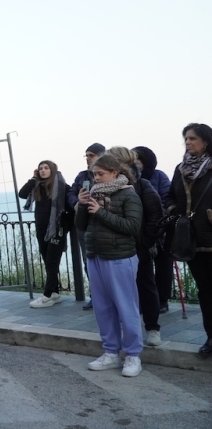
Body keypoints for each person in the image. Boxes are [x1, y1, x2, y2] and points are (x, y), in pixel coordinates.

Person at [76, 154, 144, 377]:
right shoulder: (93, 196)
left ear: (115, 173)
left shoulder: (128, 194)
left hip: (119, 257)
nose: (96, 178)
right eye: (94, 174)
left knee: (126, 307)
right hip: (96, 255)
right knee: (103, 309)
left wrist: (101, 213)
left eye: (100, 174)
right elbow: (81, 225)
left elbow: (133, 227)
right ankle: (111, 353)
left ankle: (133, 355)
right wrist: (81, 206)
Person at [107, 146, 163, 346]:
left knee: (146, 287)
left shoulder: (142, 185)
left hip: (139, 247)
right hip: (115, 249)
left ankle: (152, 328)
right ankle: (127, 330)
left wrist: (145, 242)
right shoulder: (104, 186)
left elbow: (156, 215)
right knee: (121, 292)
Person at [166, 123, 212, 356]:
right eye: (185, 138)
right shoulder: (181, 169)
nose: (188, 142)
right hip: (191, 239)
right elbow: (169, 196)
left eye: (192, 138)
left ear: (206, 141)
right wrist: (176, 212)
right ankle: (211, 337)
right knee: (205, 291)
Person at [18, 160, 71, 308]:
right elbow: (22, 194)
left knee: (52, 262)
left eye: (46, 168)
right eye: (40, 168)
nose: (43, 170)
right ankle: (54, 292)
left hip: (56, 230)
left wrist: (64, 226)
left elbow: (70, 207)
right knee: (48, 261)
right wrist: (33, 178)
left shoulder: (62, 187)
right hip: (42, 229)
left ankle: (47, 296)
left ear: (53, 170)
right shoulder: (38, 187)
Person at [133, 145, 173, 313]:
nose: (134, 164)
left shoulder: (159, 176)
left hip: (160, 230)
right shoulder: (131, 180)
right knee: (143, 270)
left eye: (137, 161)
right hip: (141, 231)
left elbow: (167, 198)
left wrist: (161, 222)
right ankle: (145, 301)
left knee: (163, 266)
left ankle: (162, 300)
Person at [68, 142, 106, 310]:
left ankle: (108, 297)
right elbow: (70, 193)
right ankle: (96, 296)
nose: (88, 159)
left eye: (91, 155)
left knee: (107, 261)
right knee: (88, 261)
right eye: (87, 156)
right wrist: (76, 203)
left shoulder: (110, 174)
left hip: (104, 223)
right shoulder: (82, 176)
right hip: (85, 225)